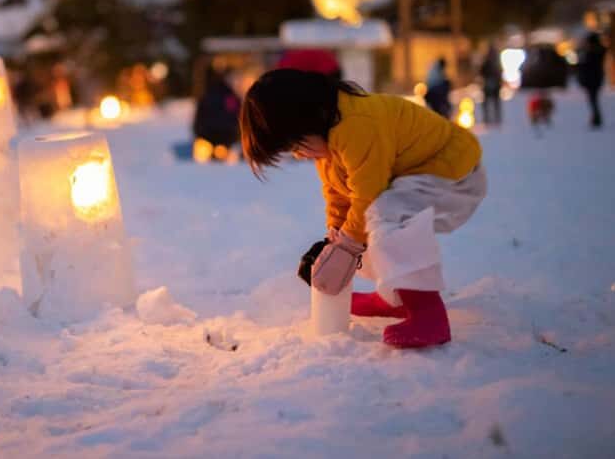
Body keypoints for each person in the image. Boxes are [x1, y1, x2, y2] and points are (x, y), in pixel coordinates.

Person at [239, 70, 485, 348]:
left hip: (453, 173)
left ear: (312, 116)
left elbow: (369, 195)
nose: (298, 154)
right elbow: (339, 193)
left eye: (297, 144)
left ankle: (428, 313)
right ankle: (395, 296)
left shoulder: (357, 125)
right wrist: (335, 237)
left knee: (382, 214)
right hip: (411, 179)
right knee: (359, 226)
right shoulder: (328, 141)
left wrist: (346, 246)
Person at [192, 64, 241, 150]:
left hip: (207, 135)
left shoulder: (206, 95)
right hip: (227, 135)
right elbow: (238, 114)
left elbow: (199, 117)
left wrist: (198, 132)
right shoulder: (230, 96)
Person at [576, 32, 607, 129]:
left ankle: (596, 118)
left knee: (593, 99)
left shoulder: (593, 52)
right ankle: (596, 117)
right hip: (595, 78)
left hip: (592, 79)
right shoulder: (598, 51)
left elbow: (586, 65)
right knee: (593, 99)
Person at [480, 46, 503, 126]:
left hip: (492, 85)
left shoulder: (494, 63)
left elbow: (481, 72)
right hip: (490, 85)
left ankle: (492, 118)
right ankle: (491, 118)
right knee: (491, 102)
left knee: (492, 102)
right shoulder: (494, 62)